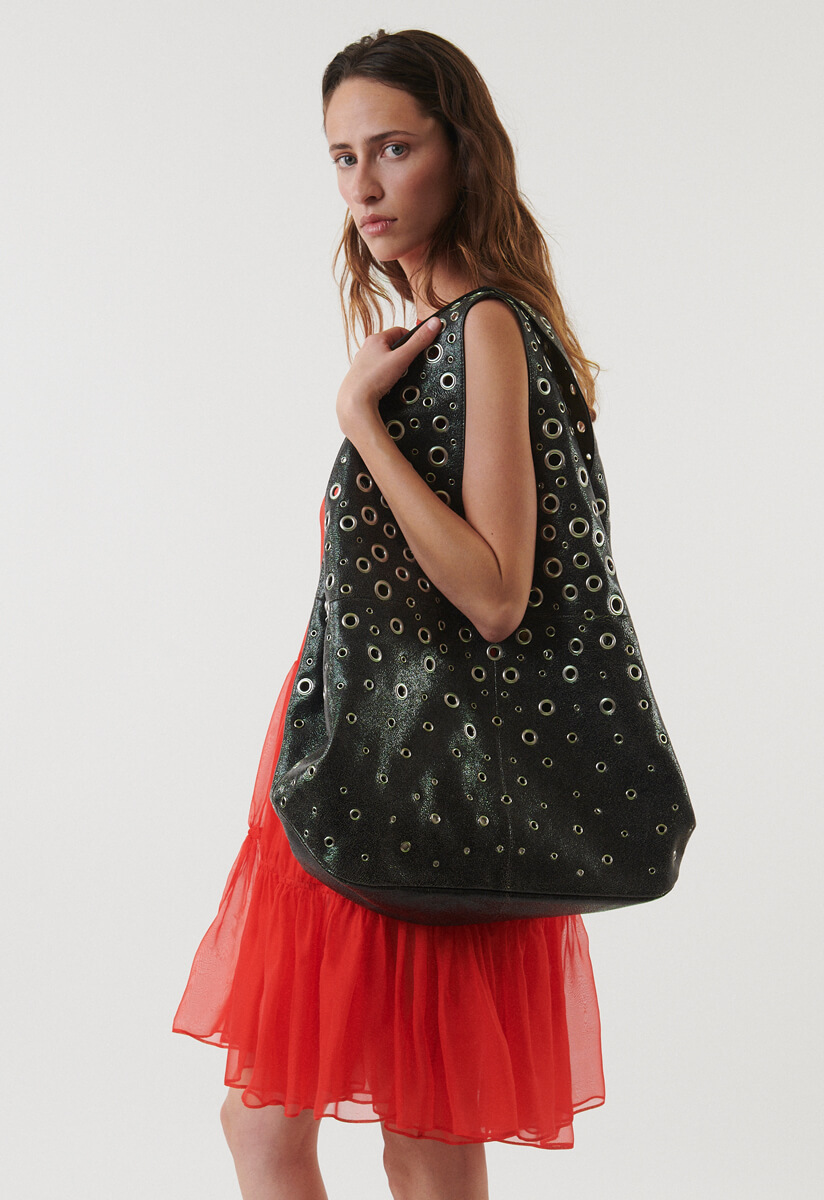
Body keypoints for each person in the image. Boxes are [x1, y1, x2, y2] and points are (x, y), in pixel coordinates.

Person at [173, 29, 606, 1200]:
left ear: (461, 151)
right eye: (341, 156)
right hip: (340, 754)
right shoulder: (429, 333)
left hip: (410, 767)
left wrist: (360, 422)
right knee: (269, 1122)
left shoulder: (486, 329)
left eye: (394, 148)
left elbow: (495, 594)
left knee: (418, 1129)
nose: (363, 186)